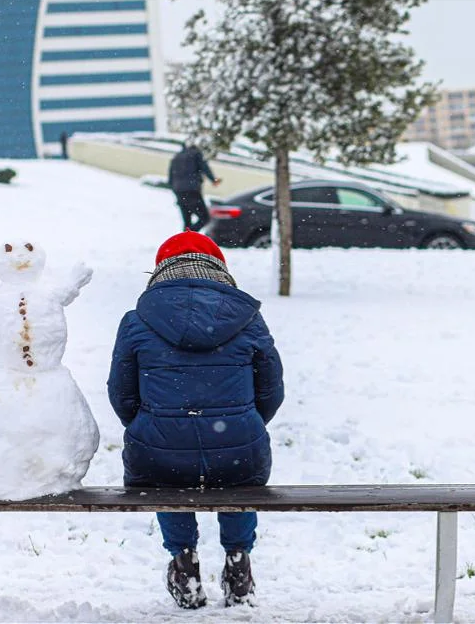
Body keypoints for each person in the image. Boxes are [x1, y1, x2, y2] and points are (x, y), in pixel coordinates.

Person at [108, 231, 284, 610]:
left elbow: (122, 395)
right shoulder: (248, 319)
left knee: (162, 466)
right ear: (219, 268)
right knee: (239, 468)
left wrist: (154, 426)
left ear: (160, 270)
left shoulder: (138, 320)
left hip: (161, 453)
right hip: (239, 449)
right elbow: (271, 391)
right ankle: (239, 559)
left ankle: (182, 558)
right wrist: (244, 422)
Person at [168, 143, 221, 231]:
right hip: (192, 191)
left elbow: (170, 179)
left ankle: (185, 240)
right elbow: (204, 167)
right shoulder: (195, 154)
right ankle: (188, 235)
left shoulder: (176, 157)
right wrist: (213, 179)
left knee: (187, 222)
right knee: (205, 218)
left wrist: (176, 190)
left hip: (179, 192)